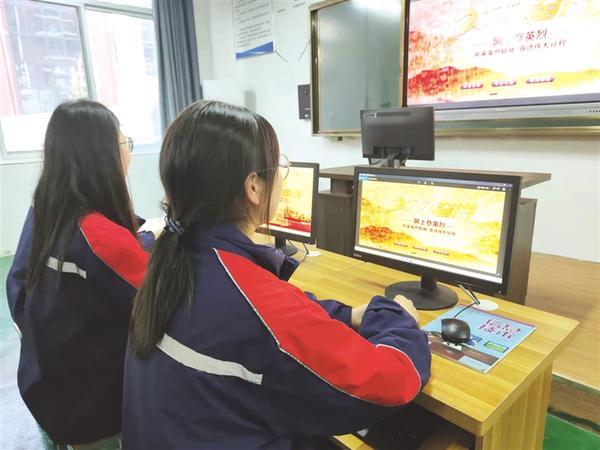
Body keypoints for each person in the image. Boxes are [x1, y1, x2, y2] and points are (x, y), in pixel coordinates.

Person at [124, 100, 431, 450]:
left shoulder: (175, 259)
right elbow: (393, 381)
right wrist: (395, 316)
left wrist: (347, 315)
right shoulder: (247, 299)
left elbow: (274, 313)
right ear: (254, 187)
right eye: (279, 167)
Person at [6, 100, 161, 449]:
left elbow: (17, 286)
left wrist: (147, 238)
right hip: (93, 409)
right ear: (102, 155)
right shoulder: (99, 238)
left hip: (45, 384)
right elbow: (163, 300)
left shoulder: (46, 207)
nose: (128, 151)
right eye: (125, 142)